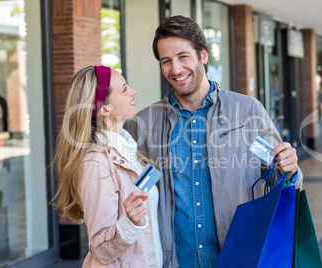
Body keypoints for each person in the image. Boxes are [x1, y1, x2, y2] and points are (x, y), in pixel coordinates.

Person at [128, 15, 303, 268]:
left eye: (183, 56)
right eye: (166, 61)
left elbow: (278, 179)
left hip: (239, 258)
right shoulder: (143, 124)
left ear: (203, 56)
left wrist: (290, 171)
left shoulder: (247, 112)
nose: (175, 69)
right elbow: (134, 190)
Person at [53, 66, 162, 267]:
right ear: (104, 108)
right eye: (124, 89)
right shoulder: (95, 163)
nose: (133, 91)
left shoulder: (128, 149)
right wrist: (129, 222)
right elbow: (100, 250)